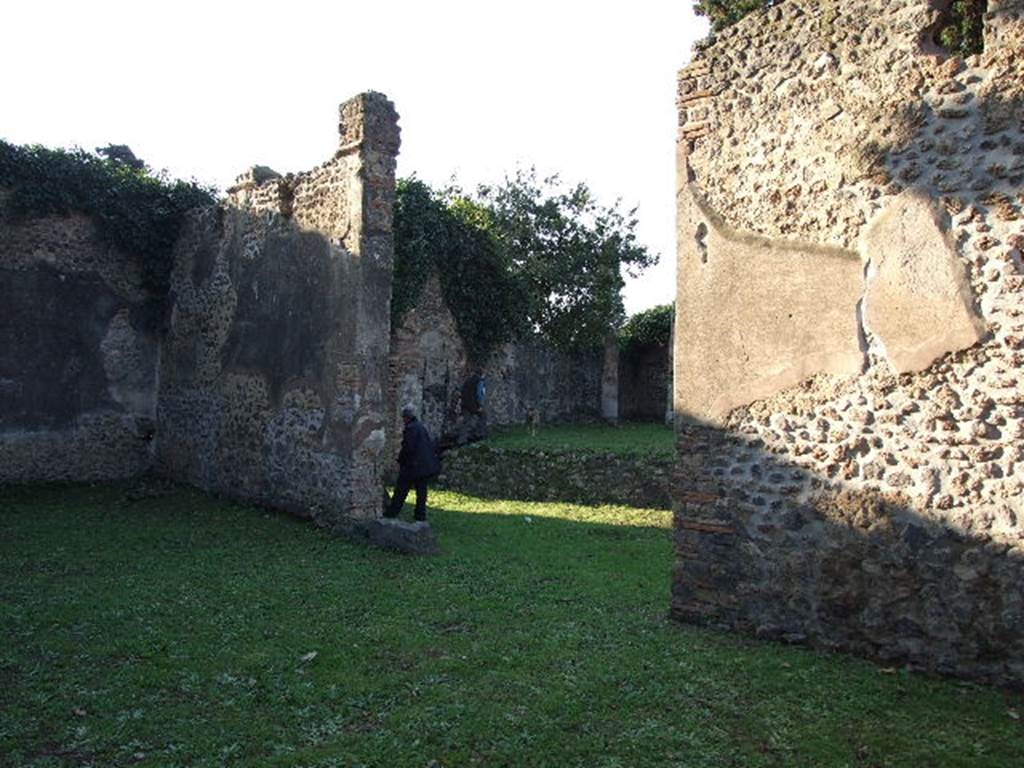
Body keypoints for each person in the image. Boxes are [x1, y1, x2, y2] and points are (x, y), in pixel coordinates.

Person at [385, 404, 440, 522]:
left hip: (413, 465)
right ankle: (420, 515)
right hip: (425, 465)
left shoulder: (411, 429)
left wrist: (400, 460)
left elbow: (408, 448)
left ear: (406, 417)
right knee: (421, 491)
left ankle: (392, 512)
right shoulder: (420, 427)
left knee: (401, 489)